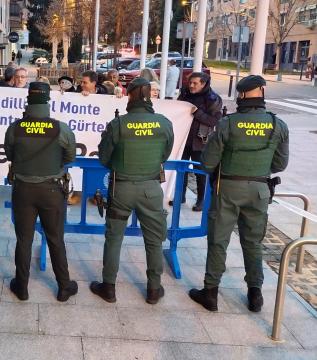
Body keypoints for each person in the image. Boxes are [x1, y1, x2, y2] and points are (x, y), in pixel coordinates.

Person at [189, 75, 289, 312]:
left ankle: (210, 293)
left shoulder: (227, 123)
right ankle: (255, 295)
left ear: (241, 95)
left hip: (228, 190)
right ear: (262, 93)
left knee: (218, 241)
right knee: (254, 242)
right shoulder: (278, 124)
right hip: (260, 190)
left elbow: (207, 163)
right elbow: (280, 164)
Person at [91, 77, 174, 305]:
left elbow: (104, 159)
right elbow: (164, 157)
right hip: (151, 188)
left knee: (114, 238)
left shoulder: (119, 124)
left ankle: (108, 287)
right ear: (150, 96)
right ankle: (154, 290)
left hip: (122, 189)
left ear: (130, 96)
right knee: (154, 241)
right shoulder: (164, 123)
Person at [4, 82, 78, 302]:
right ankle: (64, 287)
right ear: (48, 101)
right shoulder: (61, 128)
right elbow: (70, 157)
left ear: (28, 101)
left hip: (23, 190)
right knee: (56, 239)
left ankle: (22, 287)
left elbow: (10, 155)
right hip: (52, 190)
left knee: (23, 239)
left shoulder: (15, 128)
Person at [170, 72, 223, 211]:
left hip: (201, 140)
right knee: (181, 169)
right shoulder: (185, 94)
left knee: (200, 172)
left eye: (195, 83)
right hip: (183, 138)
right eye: (190, 82)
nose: (191, 85)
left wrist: (197, 112)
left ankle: (200, 200)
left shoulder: (213, 99)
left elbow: (215, 121)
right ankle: (180, 196)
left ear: (203, 84)